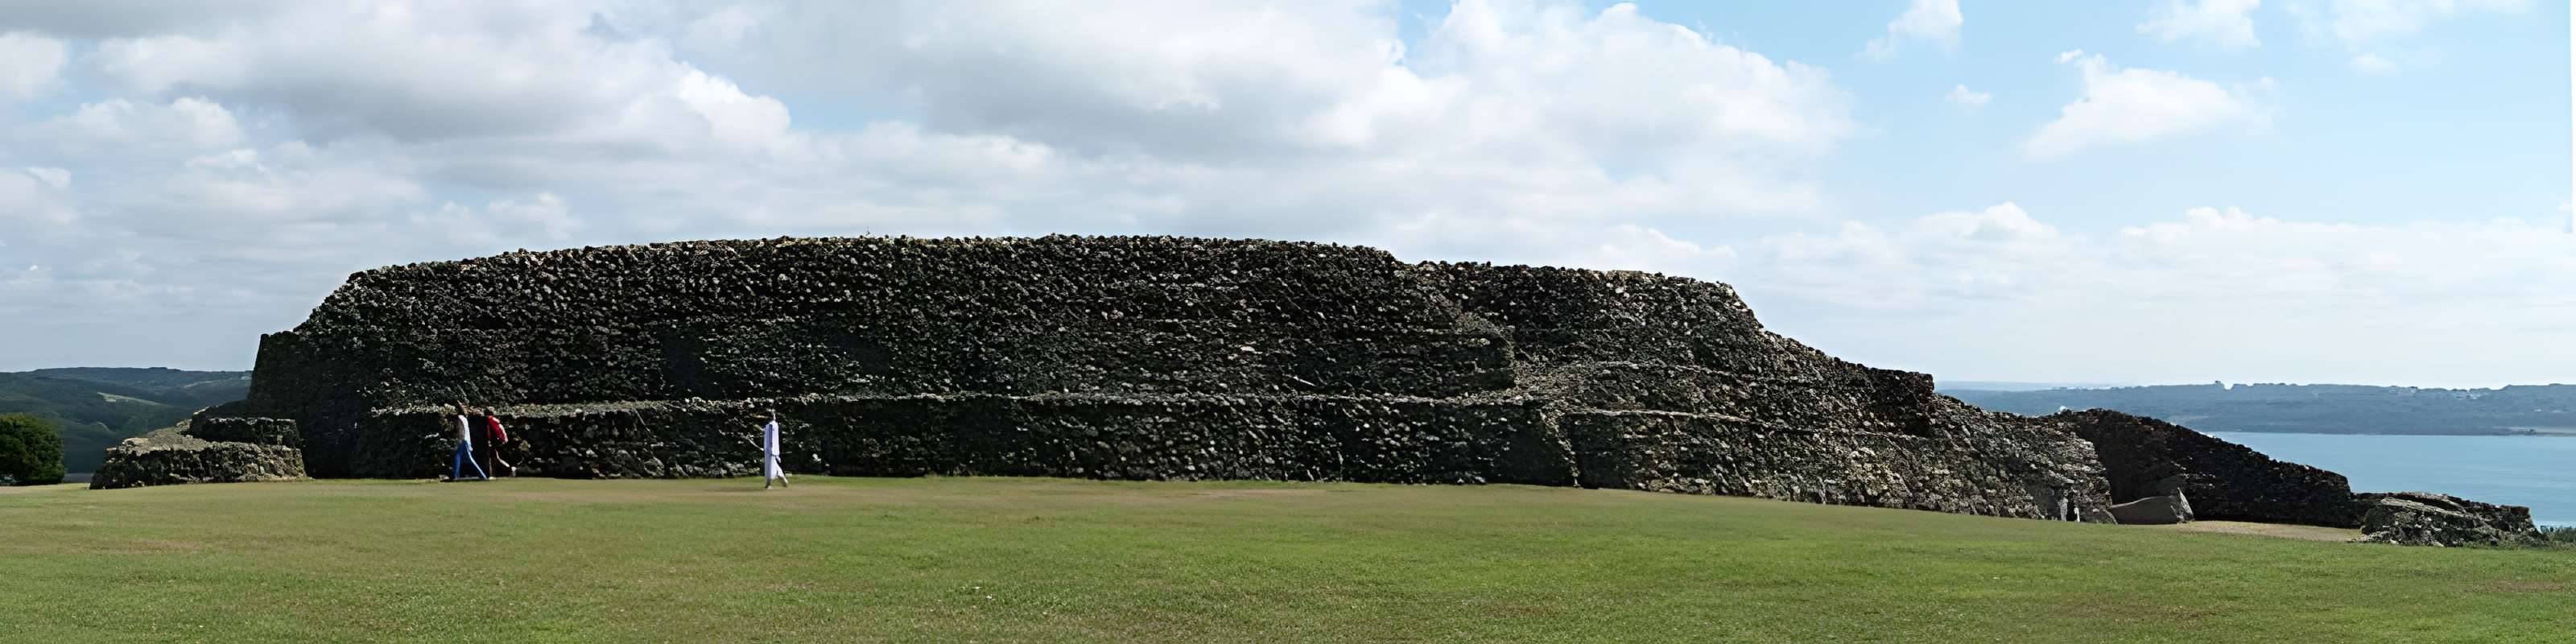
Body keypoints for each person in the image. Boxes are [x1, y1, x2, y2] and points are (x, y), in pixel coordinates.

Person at [746, 410, 788, 489]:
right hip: (772, 449)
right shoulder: (772, 425)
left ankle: (768, 484)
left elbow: (771, 437)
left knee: (770, 467)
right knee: (774, 465)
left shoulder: (771, 425)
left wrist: (771, 449)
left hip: (770, 449)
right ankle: (782, 478)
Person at [448, 402, 489, 481]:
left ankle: (457, 476)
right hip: (466, 440)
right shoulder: (464, 418)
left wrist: (461, 440)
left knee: (461, 457)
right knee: (461, 457)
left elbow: (462, 431)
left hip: (463, 440)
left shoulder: (460, 418)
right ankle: (481, 475)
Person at [481, 408, 513, 477]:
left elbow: (495, 431)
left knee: (492, 458)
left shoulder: (489, 419)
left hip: (493, 441)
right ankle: (504, 471)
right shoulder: (494, 419)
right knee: (494, 458)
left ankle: (509, 469)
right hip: (497, 441)